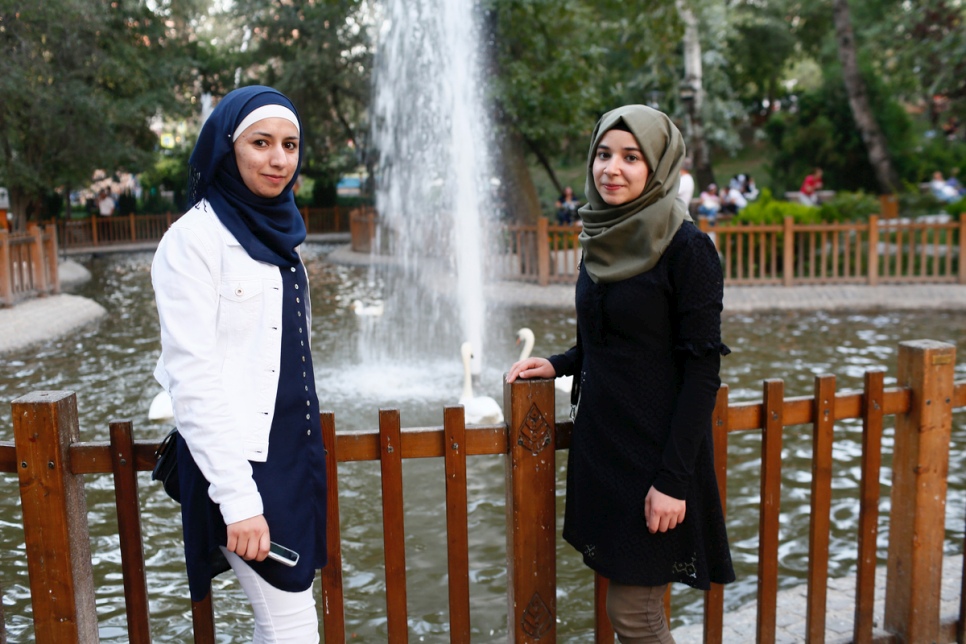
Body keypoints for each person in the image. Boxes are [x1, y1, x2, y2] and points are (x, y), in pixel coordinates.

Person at [507, 104, 734, 643]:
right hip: (605, 447)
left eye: (632, 157)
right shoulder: (601, 239)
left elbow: (702, 372)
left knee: (635, 614)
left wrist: (672, 483)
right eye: (604, 154)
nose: (612, 168)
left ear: (659, 166)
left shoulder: (688, 250)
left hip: (656, 456)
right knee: (625, 608)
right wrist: (561, 363)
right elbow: (607, 336)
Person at [152, 86, 327, 643]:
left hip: (293, 455)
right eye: (261, 143)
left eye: (290, 144)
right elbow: (192, 378)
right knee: (291, 627)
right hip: (245, 466)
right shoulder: (192, 240)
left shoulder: (283, 233)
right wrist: (239, 500)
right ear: (228, 148)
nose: (279, 159)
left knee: (283, 622)